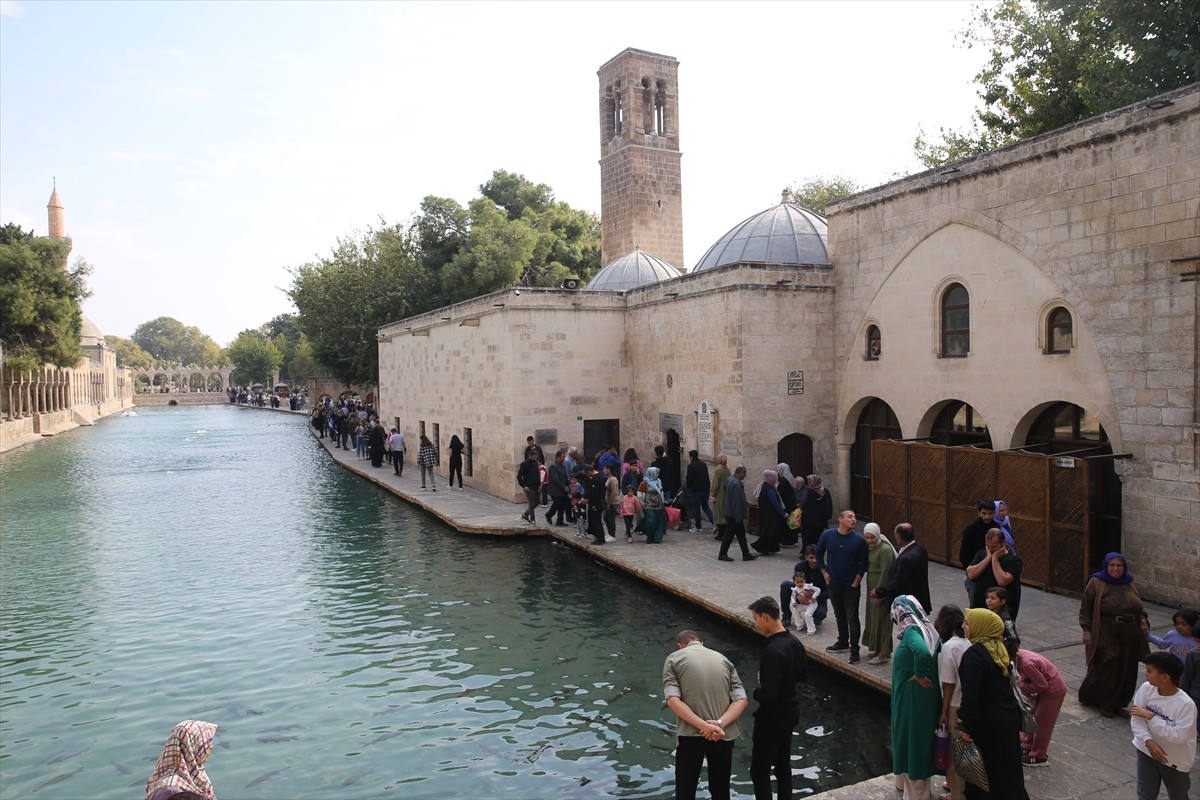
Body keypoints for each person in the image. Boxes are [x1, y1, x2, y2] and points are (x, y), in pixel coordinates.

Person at [662, 630, 749, 800]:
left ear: (680, 646)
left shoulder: (674, 658)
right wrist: (719, 723)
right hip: (723, 735)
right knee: (721, 790)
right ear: (701, 643)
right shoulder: (723, 659)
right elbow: (742, 700)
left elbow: (672, 700)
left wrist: (704, 726)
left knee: (685, 792)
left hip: (692, 734)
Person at [956, 608, 1030, 800]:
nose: (963, 626)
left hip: (987, 724)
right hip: (1007, 718)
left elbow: (971, 695)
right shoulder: (999, 647)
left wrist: (964, 724)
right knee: (1008, 772)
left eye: (967, 623)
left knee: (989, 776)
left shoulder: (974, 655)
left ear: (982, 627)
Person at [747, 596, 808, 800]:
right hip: (790, 712)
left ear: (765, 617)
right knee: (783, 765)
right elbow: (803, 675)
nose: (755, 624)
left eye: (755, 618)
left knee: (759, 770)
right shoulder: (795, 643)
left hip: (771, 718)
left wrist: (757, 690)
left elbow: (768, 695)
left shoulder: (773, 650)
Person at [1080, 552, 1149, 717]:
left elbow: (1139, 606)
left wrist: (1143, 621)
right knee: (1108, 664)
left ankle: (1119, 703)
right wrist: (1086, 630)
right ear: (1106, 566)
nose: (1116, 569)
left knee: (1128, 666)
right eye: (1112, 565)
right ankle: (1105, 702)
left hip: (1129, 631)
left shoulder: (1130, 582)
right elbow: (1086, 607)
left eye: (1119, 565)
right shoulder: (1097, 582)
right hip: (1107, 630)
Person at [889, 596, 942, 800]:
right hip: (913, 696)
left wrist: (919, 674)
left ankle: (916, 794)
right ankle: (904, 782)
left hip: (914, 697)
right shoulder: (926, 628)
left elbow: (922, 653)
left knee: (913, 738)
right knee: (907, 735)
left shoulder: (912, 630)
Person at [1130, 652, 1196, 800]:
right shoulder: (1146, 689)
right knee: (1145, 795)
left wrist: (1151, 717)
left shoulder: (1186, 705)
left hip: (1174, 761)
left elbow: (1179, 736)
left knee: (1178, 795)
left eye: (1149, 670)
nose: (1145, 673)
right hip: (1146, 751)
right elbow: (1136, 719)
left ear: (1165, 677)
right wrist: (1148, 741)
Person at [816, 509, 869, 665]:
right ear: (840, 519)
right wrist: (824, 572)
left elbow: (863, 563)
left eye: (854, 517)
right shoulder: (828, 535)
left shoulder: (859, 541)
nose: (853, 520)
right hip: (833, 584)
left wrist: (856, 582)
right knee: (839, 614)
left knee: (852, 617)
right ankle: (842, 641)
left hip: (850, 586)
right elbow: (819, 553)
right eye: (850, 517)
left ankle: (854, 650)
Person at [935, 604, 970, 800]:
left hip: (955, 703)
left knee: (954, 754)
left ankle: (957, 794)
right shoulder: (969, 642)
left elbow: (948, 683)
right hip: (969, 703)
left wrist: (943, 710)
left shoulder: (949, 647)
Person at [1013, 648, 1066, 767]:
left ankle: (1038, 755)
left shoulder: (1026, 663)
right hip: (1046, 689)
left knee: (1043, 723)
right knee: (1034, 718)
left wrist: (1023, 686)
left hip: (1053, 690)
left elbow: (1041, 684)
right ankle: (1028, 746)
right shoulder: (1020, 657)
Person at [145, 719, 219, 800]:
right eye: (205, 742)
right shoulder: (171, 791)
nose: (211, 746)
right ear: (191, 746)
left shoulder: (196, 775)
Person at [871, 523, 932, 615]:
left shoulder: (906, 559)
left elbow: (898, 583)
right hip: (920, 600)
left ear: (899, 537)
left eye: (895, 534)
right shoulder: (920, 549)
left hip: (909, 606)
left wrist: (879, 592)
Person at [967, 529, 1023, 620]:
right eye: (988, 546)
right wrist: (988, 558)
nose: (990, 549)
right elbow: (970, 575)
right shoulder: (982, 554)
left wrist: (995, 559)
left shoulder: (1014, 561)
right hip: (980, 605)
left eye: (994, 547)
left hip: (1002, 610)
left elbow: (1002, 581)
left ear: (1003, 543)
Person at [863, 522, 897, 666]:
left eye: (872, 538)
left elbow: (885, 573)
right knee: (874, 617)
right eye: (867, 538)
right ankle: (878, 649)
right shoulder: (871, 548)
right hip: (871, 586)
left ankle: (883, 653)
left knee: (882, 619)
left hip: (879, 588)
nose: (870, 541)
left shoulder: (885, 550)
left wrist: (879, 593)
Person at [780, 546, 826, 629]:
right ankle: (786, 616)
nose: (814, 561)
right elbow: (795, 583)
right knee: (785, 585)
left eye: (817, 557)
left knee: (820, 614)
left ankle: (813, 617)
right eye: (811, 558)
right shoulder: (800, 567)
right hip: (800, 592)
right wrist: (798, 595)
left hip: (816, 598)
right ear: (806, 557)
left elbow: (828, 592)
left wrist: (813, 596)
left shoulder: (825, 569)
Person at [959, 499, 996, 602]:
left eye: (990, 513)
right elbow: (964, 555)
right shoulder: (970, 530)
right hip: (976, 576)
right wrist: (971, 571)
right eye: (984, 513)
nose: (987, 517)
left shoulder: (997, 528)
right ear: (978, 513)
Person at [717, 466, 756, 561]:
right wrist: (738, 517)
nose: (745, 476)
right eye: (744, 473)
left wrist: (746, 503)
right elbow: (736, 502)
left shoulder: (729, 480)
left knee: (741, 535)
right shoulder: (736, 484)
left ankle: (746, 554)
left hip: (730, 512)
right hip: (734, 515)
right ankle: (722, 553)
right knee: (729, 535)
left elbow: (735, 497)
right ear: (740, 472)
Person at [750, 470, 786, 556]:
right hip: (770, 515)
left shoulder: (764, 485)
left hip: (765, 513)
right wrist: (783, 513)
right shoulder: (769, 489)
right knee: (769, 532)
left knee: (772, 532)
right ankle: (757, 546)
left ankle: (772, 548)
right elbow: (775, 503)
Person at [798, 474, 832, 551]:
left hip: (808, 519)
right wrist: (828, 516)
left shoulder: (808, 491)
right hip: (821, 519)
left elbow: (803, 503)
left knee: (808, 537)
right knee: (818, 536)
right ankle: (817, 551)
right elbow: (829, 505)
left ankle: (807, 553)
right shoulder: (825, 491)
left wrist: (799, 508)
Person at [985, 587, 1020, 658]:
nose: (989, 600)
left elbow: (1014, 639)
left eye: (993, 598)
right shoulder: (990, 613)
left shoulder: (1005, 619)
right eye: (987, 597)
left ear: (1002, 601)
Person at [684, 450, 713, 533]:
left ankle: (698, 527)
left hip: (696, 490)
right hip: (705, 489)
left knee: (696, 508)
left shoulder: (691, 466)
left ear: (691, 457)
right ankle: (715, 523)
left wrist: (688, 487)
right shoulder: (703, 464)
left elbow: (689, 479)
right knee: (705, 506)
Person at [639, 466, 668, 544]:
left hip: (658, 505)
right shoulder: (645, 482)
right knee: (651, 520)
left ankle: (656, 538)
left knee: (658, 522)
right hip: (648, 505)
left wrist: (663, 500)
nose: (657, 475)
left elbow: (661, 491)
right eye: (656, 473)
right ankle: (649, 536)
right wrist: (641, 502)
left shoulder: (658, 481)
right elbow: (640, 493)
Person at [789, 569, 822, 634]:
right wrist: (794, 602)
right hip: (802, 604)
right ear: (794, 582)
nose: (800, 584)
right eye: (798, 582)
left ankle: (811, 629)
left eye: (801, 582)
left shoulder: (809, 586)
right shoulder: (795, 589)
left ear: (804, 580)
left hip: (811, 604)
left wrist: (814, 596)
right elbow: (792, 596)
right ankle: (799, 624)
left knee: (807, 615)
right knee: (795, 610)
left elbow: (818, 590)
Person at [775, 463, 799, 547]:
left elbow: (782, 494)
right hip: (791, 505)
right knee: (790, 523)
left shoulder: (784, 481)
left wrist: (776, 488)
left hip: (786, 506)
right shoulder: (789, 479)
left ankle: (787, 541)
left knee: (787, 524)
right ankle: (791, 540)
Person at [544, 449, 570, 526]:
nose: (564, 458)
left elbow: (564, 477)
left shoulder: (562, 465)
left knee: (562, 505)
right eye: (563, 457)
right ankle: (549, 514)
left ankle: (560, 521)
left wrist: (567, 485)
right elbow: (555, 479)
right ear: (558, 457)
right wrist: (563, 487)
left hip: (562, 490)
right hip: (555, 490)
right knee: (557, 503)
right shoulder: (553, 466)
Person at [711, 454, 731, 542]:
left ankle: (721, 534)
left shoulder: (718, 470)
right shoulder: (728, 471)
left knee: (719, 513)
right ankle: (724, 532)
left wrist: (713, 494)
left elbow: (716, 484)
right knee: (724, 513)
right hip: (726, 494)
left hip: (720, 494)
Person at [586, 464, 608, 545]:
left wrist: (594, 504)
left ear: (589, 471)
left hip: (596, 504)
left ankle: (600, 539)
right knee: (598, 520)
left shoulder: (595, 479)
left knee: (597, 522)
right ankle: (600, 537)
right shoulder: (601, 477)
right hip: (600, 502)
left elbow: (595, 493)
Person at [517, 450, 540, 522]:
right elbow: (519, 476)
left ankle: (525, 515)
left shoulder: (535, 463)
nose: (535, 458)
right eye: (534, 457)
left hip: (536, 486)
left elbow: (536, 474)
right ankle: (532, 519)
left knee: (537, 502)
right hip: (529, 487)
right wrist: (524, 486)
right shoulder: (525, 464)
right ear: (530, 456)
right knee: (531, 503)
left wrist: (539, 484)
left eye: (536, 457)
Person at [604, 463, 621, 542]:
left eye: (605, 469)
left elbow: (614, 492)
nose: (604, 470)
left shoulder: (613, 479)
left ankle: (612, 535)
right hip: (608, 501)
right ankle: (610, 533)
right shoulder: (608, 478)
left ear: (609, 470)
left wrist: (609, 503)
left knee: (611, 518)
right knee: (606, 517)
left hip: (613, 502)